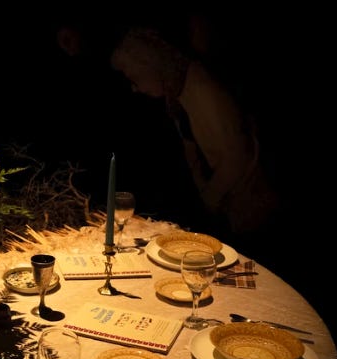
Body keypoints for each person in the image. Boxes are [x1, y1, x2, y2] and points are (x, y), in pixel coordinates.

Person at [109, 27, 282, 253]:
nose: (135, 88)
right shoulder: (178, 93)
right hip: (229, 206)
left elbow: (239, 154)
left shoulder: (201, 87)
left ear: (148, 65)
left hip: (253, 208)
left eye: (134, 78)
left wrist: (209, 198)